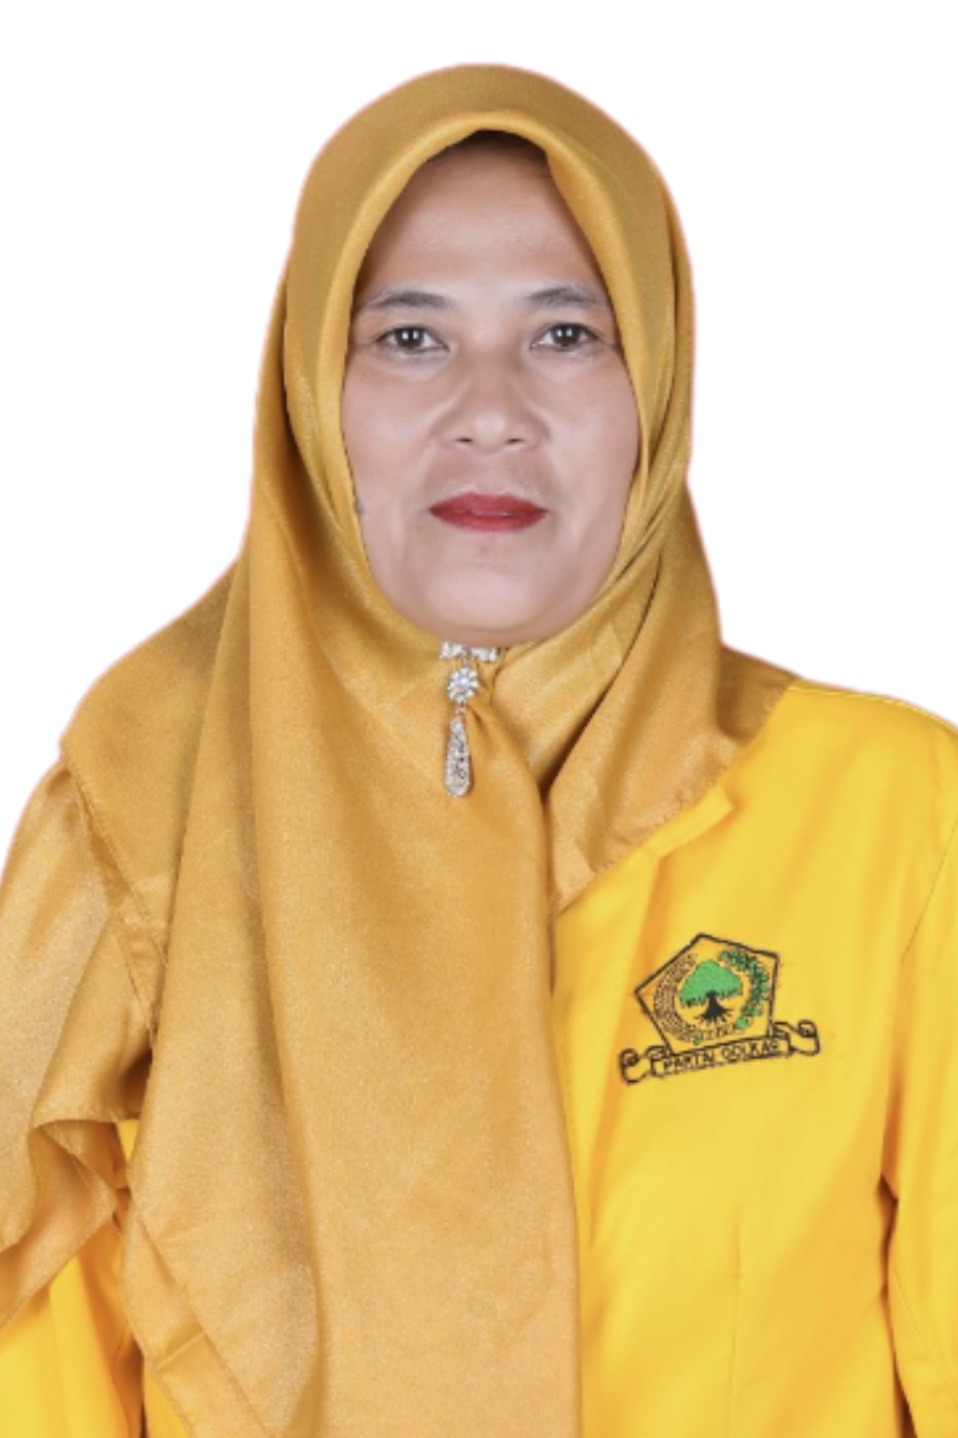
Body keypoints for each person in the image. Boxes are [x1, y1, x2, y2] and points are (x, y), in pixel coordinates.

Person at [1, 63, 956, 1438]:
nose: (491, 407)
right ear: (310, 393)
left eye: (566, 333)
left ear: (655, 385)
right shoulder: (133, 823)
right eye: (409, 336)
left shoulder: (889, 815)